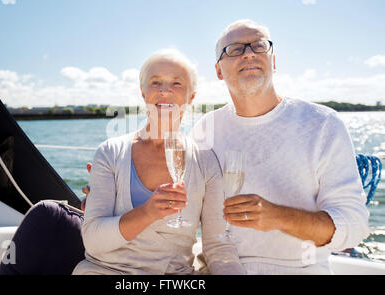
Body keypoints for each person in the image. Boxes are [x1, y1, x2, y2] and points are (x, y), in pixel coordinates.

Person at [190, 19, 370, 274]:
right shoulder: (205, 129)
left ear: (273, 61)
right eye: (235, 49)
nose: (249, 53)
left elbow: (354, 227)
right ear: (219, 70)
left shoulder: (323, 124)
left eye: (259, 46)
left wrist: (279, 217)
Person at [72, 49, 244, 275]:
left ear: (191, 96)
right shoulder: (110, 152)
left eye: (177, 83)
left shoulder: (205, 162)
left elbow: (218, 246)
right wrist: (149, 212)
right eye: (155, 82)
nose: (165, 91)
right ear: (143, 93)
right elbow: (93, 241)